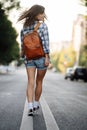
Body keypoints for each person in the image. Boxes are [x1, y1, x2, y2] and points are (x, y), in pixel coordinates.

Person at [18, 4, 50, 116]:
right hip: (41, 57)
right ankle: (36, 104)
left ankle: (30, 106)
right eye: (42, 13)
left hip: (29, 58)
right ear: (36, 14)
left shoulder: (25, 27)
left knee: (30, 82)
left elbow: (23, 44)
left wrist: (23, 57)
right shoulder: (43, 26)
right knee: (39, 81)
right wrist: (47, 57)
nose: (43, 15)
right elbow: (46, 43)